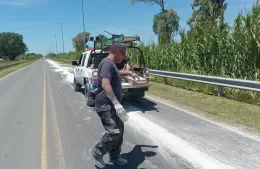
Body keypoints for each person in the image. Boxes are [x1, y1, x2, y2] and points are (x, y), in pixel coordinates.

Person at [89, 42, 138, 168]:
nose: (123, 57)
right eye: (123, 54)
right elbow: (106, 84)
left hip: (114, 105)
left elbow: (117, 73)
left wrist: (129, 73)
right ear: (117, 52)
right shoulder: (106, 64)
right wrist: (116, 103)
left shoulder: (112, 65)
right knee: (114, 132)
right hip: (106, 105)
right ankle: (97, 152)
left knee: (120, 131)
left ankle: (115, 157)